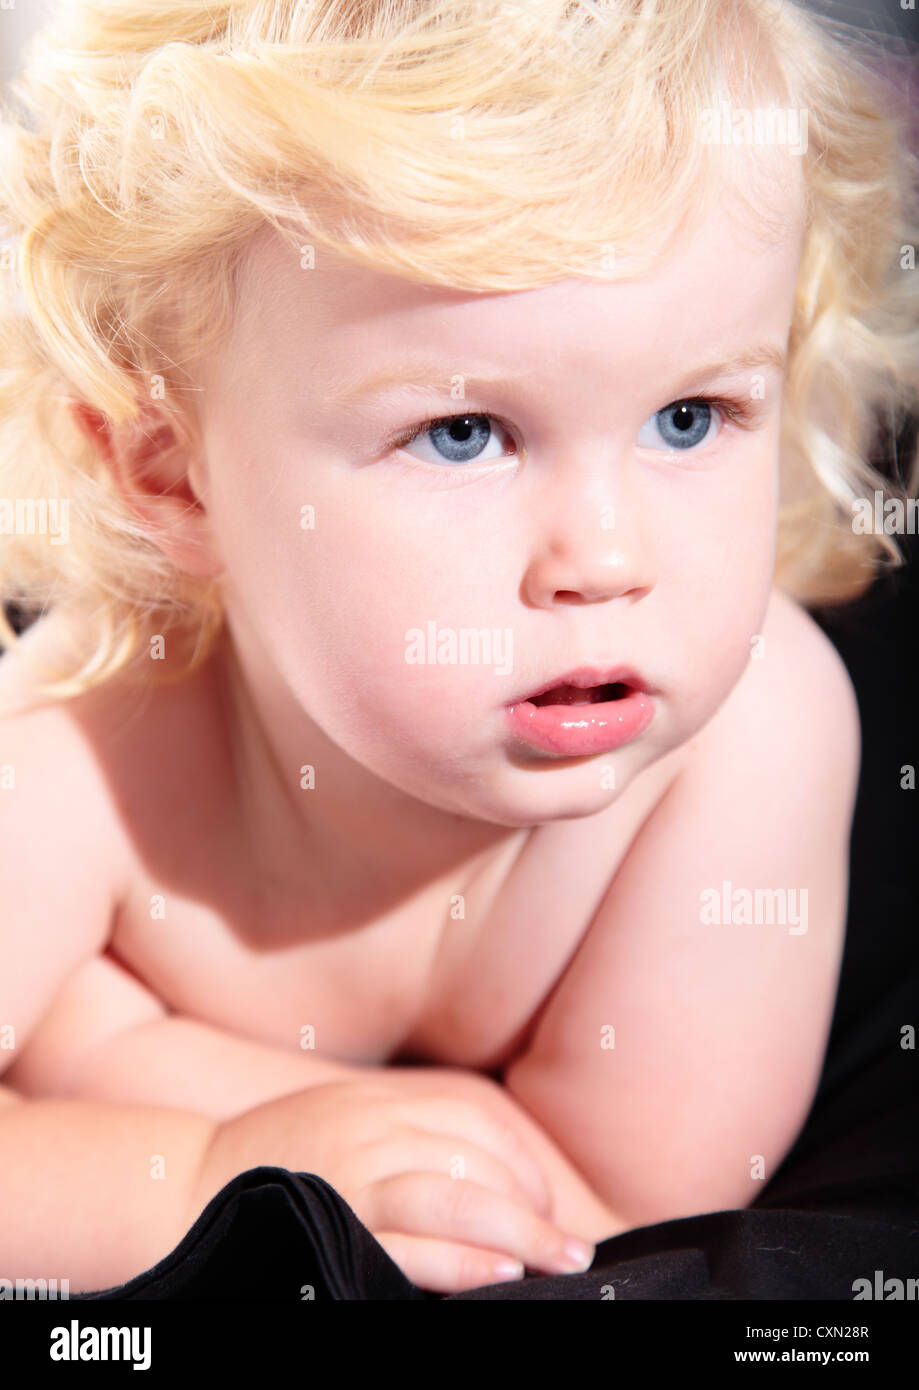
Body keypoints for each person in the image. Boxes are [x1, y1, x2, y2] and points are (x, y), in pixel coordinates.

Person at [0, 0, 916, 1297]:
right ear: (174, 475)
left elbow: (605, 1207)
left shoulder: (751, 742)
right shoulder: (85, 745)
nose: (605, 557)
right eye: (464, 433)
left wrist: (109, 1056)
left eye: (690, 413)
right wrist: (207, 1163)